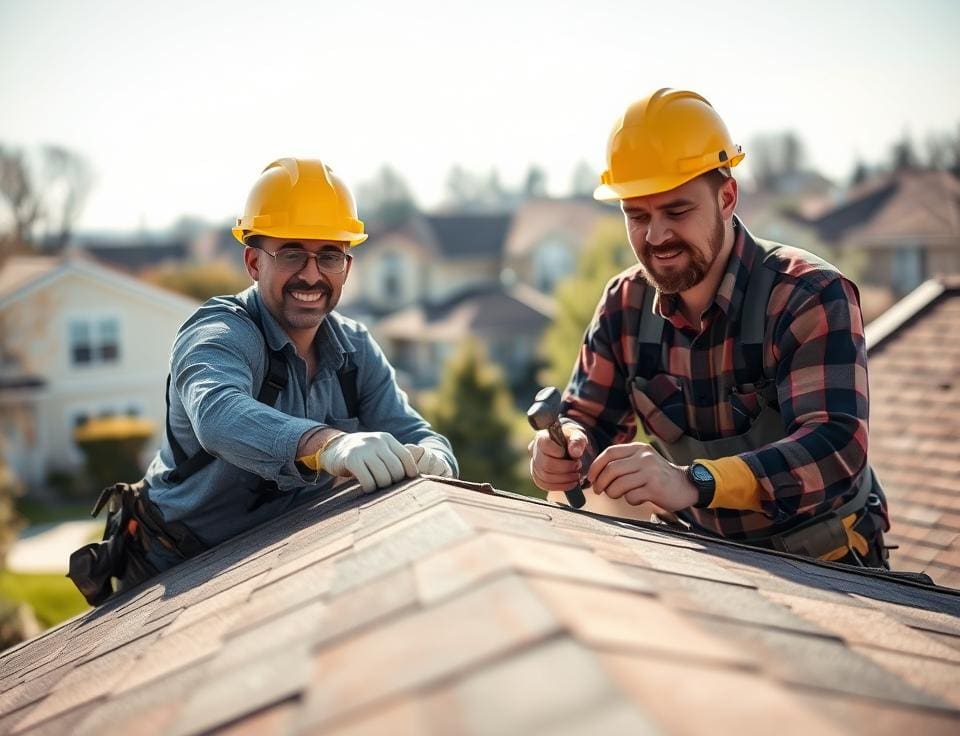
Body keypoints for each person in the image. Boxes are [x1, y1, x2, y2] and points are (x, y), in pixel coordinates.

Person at [529, 88, 889, 567]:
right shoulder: (624, 305)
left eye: (677, 212)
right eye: (637, 215)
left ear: (726, 197)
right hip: (703, 563)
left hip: (827, 564)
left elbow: (836, 449)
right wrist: (564, 448)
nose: (656, 236)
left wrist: (692, 481)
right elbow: (588, 420)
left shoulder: (808, 294)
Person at [70, 158, 457, 604]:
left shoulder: (354, 350)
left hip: (282, 551)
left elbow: (417, 434)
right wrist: (328, 446)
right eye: (291, 254)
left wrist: (433, 460)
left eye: (329, 255)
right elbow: (218, 415)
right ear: (254, 262)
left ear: (347, 267)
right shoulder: (218, 333)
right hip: (176, 568)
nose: (311, 274)